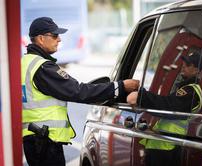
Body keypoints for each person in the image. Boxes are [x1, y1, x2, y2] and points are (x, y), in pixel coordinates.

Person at [22, 17, 139, 166]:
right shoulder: (43, 68)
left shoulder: (25, 63)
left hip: (33, 139)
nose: (59, 39)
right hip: (44, 141)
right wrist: (120, 87)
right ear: (41, 39)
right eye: (55, 35)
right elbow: (78, 91)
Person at [127, 52, 202, 166]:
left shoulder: (191, 91)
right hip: (162, 144)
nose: (183, 66)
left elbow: (169, 106)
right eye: (184, 63)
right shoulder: (185, 88)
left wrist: (142, 97)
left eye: (188, 64)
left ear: (197, 70)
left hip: (167, 146)